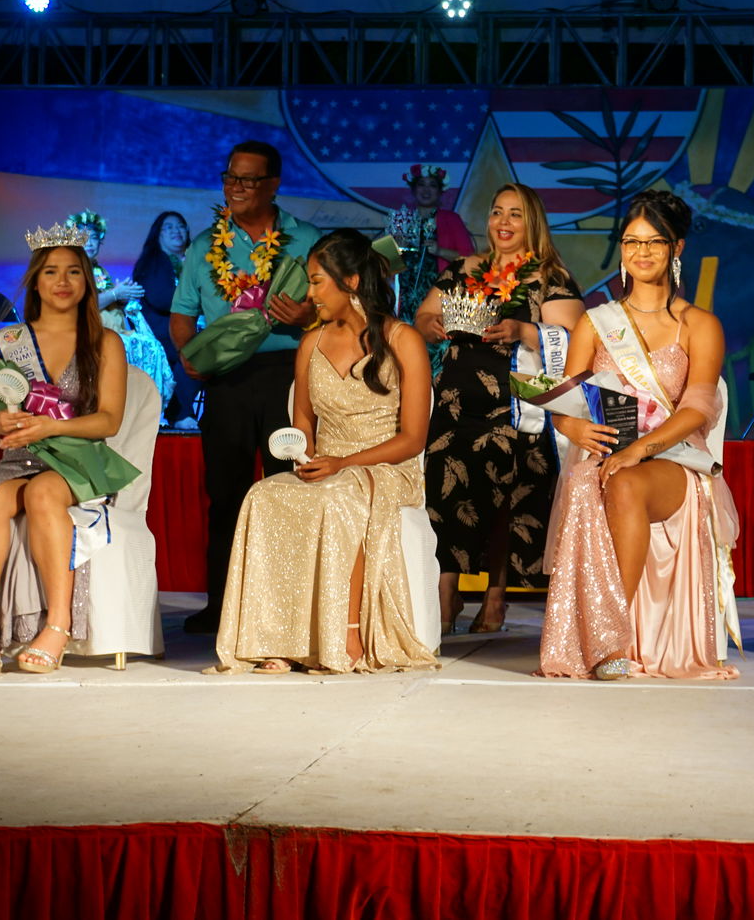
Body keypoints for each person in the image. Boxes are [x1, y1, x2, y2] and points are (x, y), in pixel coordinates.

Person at [209, 230, 437, 674]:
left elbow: (413, 439)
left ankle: (346, 635)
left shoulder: (403, 339)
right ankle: (272, 636)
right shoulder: (311, 343)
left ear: (350, 282)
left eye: (316, 282)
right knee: (265, 495)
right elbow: (304, 422)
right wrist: (304, 453)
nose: (308, 294)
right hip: (328, 464)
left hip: (386, 467)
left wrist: (344, 464)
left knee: (338, 497)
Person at [538, 192, 740, 681]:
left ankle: (610, 639)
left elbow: (697, 407)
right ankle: (585, 639)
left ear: (677, 248)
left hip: (672, 461)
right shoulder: (595, 322)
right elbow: (564, 403)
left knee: (624, 482)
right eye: (631, 242)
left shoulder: (699, 324)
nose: (642, 252)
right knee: (595, 480)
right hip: (607, 455)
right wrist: (575, 427)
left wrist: (641, 449)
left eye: (654, 242)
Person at [0, 224, 128, 674]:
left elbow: (109, 420)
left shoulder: (105, 342)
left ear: (87, 281)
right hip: (16, 461)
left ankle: (58, 625)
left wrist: (48, 427)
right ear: (35, 280)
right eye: (51, 272)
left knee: (43, 494)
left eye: (74, 272)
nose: (63, 281)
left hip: (76, 463)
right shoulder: (5, 343)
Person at [414, 183, 583, 635]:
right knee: (444, 495)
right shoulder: (464, 269)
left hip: (514, 404)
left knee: (504, 499)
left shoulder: (551, 278)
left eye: (515, 214)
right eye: (496, 212)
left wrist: (522, 329)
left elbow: (574, 341)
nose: (503, 223)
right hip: (455, 401)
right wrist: (434, 324)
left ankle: (495, 598)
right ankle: (445, 597)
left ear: (533, 223)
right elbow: (423, 319)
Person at [170, 140, 321, 634]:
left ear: (274, 185)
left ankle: (287, 608)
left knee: (289, 490)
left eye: (248, 180)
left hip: (287, 377)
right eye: (230, 178)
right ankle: (221, 606)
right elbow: (181, 315)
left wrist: (307, 314)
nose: (236, 188)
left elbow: (338, 309)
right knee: (227, 493)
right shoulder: (203, 246)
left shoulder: (306, 241)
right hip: (227, 381)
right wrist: (190, 355)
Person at [67, 210, 174, 417]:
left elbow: (104, 299)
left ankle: (143, 410)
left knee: (153, 347)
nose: (90, 243)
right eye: (83, 238)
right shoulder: (72, 269)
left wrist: (123, 296)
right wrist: (116, 293)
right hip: (87, 334)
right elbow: (80, 305)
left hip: (112, 330)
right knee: (141, 346)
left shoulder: (97, 270)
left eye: (95, 238)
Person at [132, 211, 200, 428]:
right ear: (158, 234)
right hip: (160, 332)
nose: (176, 231)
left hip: (190, 327)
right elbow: (162, 299)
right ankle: (180, 413)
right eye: (168, 227)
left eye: (180, 226)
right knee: (197, 351)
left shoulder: (196, 260)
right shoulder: (152, 262)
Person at [391, 164, 474, 324]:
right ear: (414, 189)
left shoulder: (451, 219)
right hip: (405, 297)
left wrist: (440, 251)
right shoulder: (403, 220)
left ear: (440, 191)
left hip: (437, 295)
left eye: (432, 186)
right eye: (421, 185)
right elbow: (386, 264)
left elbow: (470, 260)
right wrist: (394, 249)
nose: (426, 190)